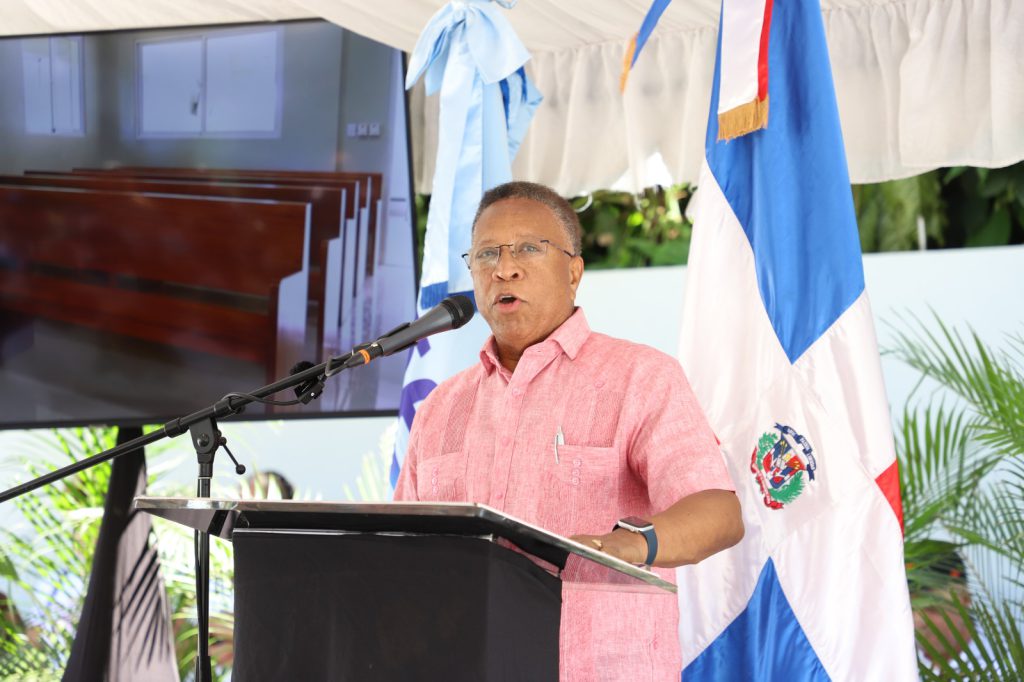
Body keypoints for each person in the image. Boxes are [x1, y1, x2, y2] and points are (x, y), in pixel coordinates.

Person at [394, 181, 743, 680]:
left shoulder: (639, 377)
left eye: (529, 249)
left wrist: (630, 543)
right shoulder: (439, 408)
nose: (504, 267)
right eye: (487, 253)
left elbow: (719, 512)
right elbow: (400, 555)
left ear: (574, 272)